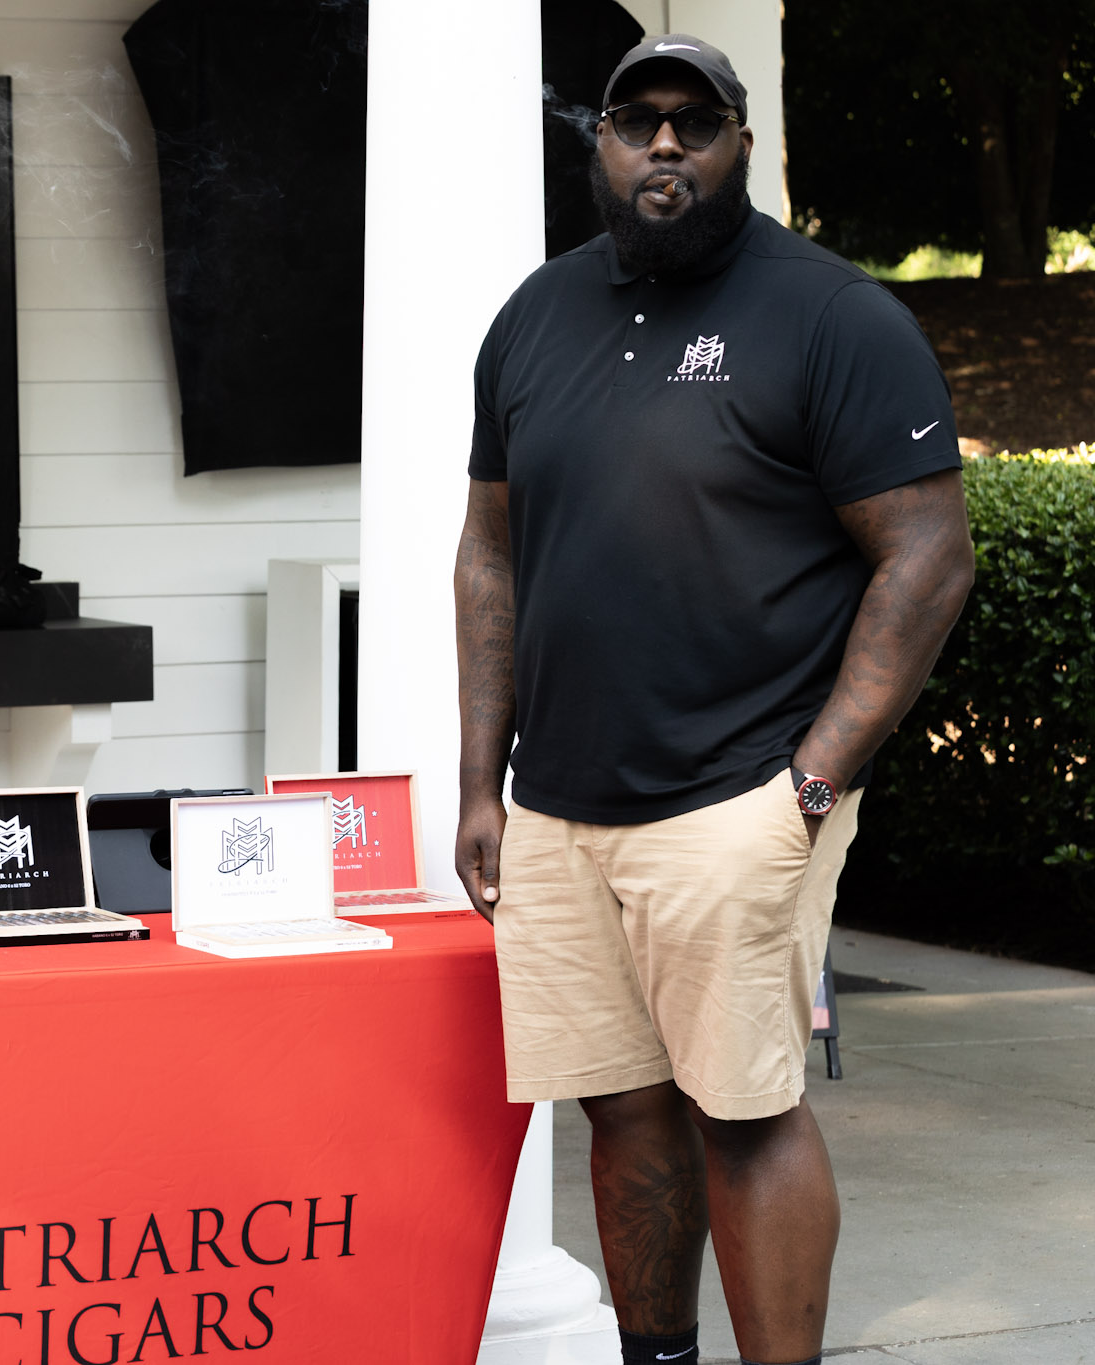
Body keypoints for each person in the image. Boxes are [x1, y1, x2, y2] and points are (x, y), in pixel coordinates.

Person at [451, 34, 976, 1365]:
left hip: (740, 793)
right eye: (639, 119)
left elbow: (927, 557)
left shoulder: (834, 317)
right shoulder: (534, 316)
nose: (667, 142)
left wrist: (814, 778)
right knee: (621, 1107)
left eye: (698, 119)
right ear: (601, 143)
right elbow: (489, 555)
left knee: (743, 1110)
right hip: (560, 806)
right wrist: (479, 781)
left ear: (744, 141)